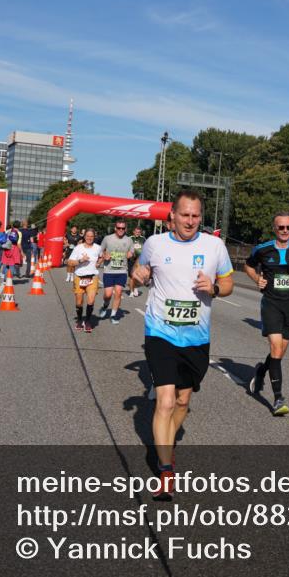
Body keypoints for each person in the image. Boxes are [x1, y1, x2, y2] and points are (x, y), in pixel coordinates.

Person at [132, 191, 234, 500]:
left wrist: (214, 287)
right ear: (172, 216)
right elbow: (138, 276)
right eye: (185, 215)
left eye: (195, 215)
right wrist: (136, 277)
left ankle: (166, 439)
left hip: (196, 337)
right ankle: (165, 470)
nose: (190, 221)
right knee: (164, 401)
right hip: (160, 332)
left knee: (181, 403)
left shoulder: (214, 246)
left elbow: (228, 284)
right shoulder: (155, 244)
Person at [244, 212, 289, 416]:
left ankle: (261, 371)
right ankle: (278, 399)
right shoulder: (263, 249)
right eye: (281, 227)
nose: (285, 231)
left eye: (288, 228)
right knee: (275, 348)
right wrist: (257, 279)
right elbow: (248, 265)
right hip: (271, 305)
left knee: (279, 354)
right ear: (274, 229)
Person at [98, 220, 135, 324]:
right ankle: (105, 306)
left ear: (126, 229)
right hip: (109, 270)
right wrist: (104, 255)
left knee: (118, 293)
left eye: (123, 228)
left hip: (122, 270)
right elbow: (100, 250)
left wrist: (130, 254)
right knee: (108, 295)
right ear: (115, 228)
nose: (121, 230)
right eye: (119, 228)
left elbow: (132, 251)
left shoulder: (129, 240)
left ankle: (113, 315)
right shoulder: (107, 238)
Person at [67, 229, 103, 332]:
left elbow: (102, 256)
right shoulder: (78, 248)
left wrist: (99, 262)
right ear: (84, 236)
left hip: (92, 277)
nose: (89, 238)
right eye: (88, 236)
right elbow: (69, 262)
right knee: (79, 302)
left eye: (92, 236)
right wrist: (80, 260)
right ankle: (79, 320)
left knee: (91, 300)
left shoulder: (98, 248)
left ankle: (87, 321)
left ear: (94, 237)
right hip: (79, 277)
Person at [127, 226, 146, 297]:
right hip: (131, 259)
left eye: (139, 232)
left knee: (138, 275)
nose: (137, 233)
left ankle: (135, 288)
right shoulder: (130, 238)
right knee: (131, 275)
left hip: (139, 260)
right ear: (133, 232)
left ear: (140, 233)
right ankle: (131, 291)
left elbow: (146, 248)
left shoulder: (143, 239)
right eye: (136, 232)